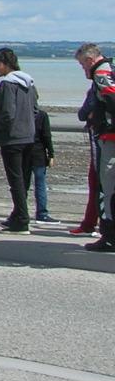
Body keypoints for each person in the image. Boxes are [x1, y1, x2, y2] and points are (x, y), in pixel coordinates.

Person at [0, 47, 38, 234]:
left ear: (6, 63)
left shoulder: (7, 85)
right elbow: (35, 109)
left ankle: (22, 221)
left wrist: (0, 131)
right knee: (23, 179)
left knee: (15, 180)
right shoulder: (29, 83)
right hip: (28, 136)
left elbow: (7, 112)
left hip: (12, 139)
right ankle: (17, 215)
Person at [74, 43, 115, 251]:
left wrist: (96, 117)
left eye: (83, 66)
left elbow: (111, 97)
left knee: (106, 187)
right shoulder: (111, 68)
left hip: (109, 137)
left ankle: (109, 236)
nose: (84, 70)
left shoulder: (102, 74)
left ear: (90, 61)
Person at [29, 101, 56, 225]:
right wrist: (51, 154)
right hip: (38, 153)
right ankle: (42, 214)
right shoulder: (42, 115)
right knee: (40, 184)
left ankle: (20, 211)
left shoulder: (22, 113)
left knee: (22, 184)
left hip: (24, 151)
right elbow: (47, 136)